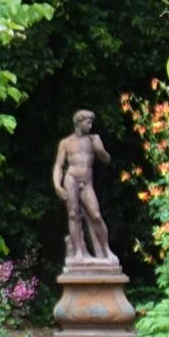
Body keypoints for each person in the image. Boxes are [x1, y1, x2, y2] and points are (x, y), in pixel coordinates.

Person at [51, 109, 115, 264]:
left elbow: (106, 159)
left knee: (96, 215)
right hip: (71, 179)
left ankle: (107, 250)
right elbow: (59, 166)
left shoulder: (94, 140)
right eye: (88, 122)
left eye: (91, 123)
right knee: (73, 215)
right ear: (78, 123)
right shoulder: (66, 143)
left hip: (86, 182)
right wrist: (57, 185)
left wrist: (100, 150)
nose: (90, 126)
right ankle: (78, 252)